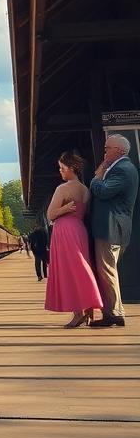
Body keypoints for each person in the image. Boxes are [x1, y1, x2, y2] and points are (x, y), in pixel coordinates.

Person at [44, 152, 103, 327]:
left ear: (71, 168)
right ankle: (89, 310)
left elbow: (50, 214)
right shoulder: (85, 190)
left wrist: (63, 209)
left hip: (64, 231)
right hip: (79, 230)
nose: (60, 172)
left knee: (70, 271)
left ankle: (78, 313)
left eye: (62, 168)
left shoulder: (62, 189)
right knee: (83, 266)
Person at [88, 133, 139, 328]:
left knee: (107, 270)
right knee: (109, 270)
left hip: (111, 228)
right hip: (114, 228)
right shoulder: (123, 168)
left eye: (108, 148)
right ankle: (113, 311)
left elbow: (104, 190)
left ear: (119, 150)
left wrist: (96, 178)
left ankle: (114, 313)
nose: (105, 151)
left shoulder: (123, 169)